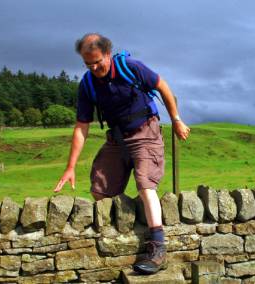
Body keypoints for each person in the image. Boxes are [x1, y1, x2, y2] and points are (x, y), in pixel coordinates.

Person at [52, 33, 190, 274]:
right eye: (88, 64)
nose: (94, 68)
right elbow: (81, 126)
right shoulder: (87, 84)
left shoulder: (131, 68)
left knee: (145, 185)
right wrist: (70, 167)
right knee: (100, 189)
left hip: (145, 131)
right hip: (116, 139)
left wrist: (176, 120)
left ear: (107, 53)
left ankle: (158, 248)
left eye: (98, 61)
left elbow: (162, 86)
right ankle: (123, 230)